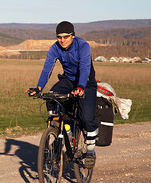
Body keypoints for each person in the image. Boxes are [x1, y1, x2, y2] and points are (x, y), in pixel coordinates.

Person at [26, 21, 99, 168]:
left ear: (72, 36)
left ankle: (90, 151)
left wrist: (81, 86)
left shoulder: (83, 46)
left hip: (86, 82)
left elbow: (85, 68)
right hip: (68, 80)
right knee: (51, 97)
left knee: (85, 117)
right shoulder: (55, 48)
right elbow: (47, 69)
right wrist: (39, 87)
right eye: (59, 37)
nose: (62, 40)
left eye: (65, 37)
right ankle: (57, 133)